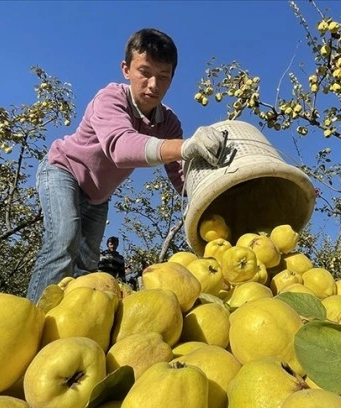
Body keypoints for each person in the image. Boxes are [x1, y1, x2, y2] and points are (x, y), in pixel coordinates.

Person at [26, 28, 226, 303]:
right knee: (63, 242)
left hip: (98, 195)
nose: (153, 84)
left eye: (163, 76)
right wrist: (184, 146)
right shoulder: (110, 99)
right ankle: (34, 315)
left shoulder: (168, 123)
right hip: (64, 171)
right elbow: (120, 146)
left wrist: (227, 191)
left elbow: (182, 181)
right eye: (145, 72)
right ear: (126, 70)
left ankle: (70, 326)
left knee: (87, 266)